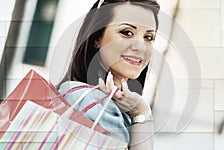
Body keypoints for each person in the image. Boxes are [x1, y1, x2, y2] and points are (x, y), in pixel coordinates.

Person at [57, 0, 160, 149]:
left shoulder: (113, 105)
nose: (140, 46)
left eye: (148, 37)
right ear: (97, 38)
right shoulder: (94, 103)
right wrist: (141, 113)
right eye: (127, 32)